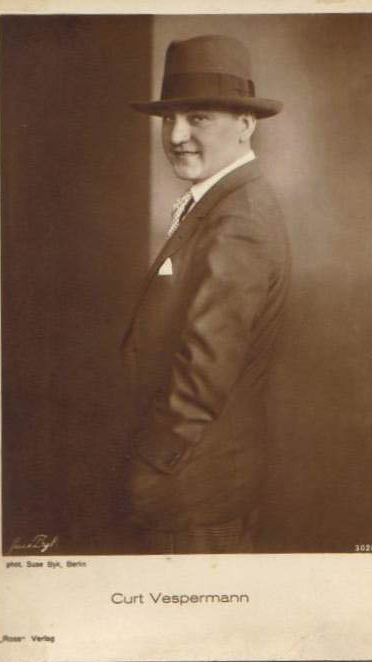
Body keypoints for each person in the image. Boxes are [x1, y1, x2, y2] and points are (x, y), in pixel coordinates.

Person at [121, 34, 290, 554]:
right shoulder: (223, 204)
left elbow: (204, 370)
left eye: (198, 118)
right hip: (199, 483)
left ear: (246, 124)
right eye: (169, 119)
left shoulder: (239, 220)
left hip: (192, 491)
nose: (176, 136)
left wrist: (149, 469)